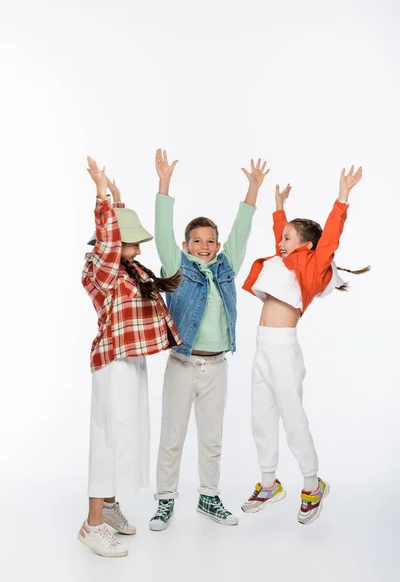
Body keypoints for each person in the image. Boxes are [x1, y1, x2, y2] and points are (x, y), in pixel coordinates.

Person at [240, 166, 369, 525]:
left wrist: (342, 197)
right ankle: (269, 483)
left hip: (283, 349)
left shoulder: (311, 269)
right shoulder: (281, 262)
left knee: (293, 418)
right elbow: (281, 240)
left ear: (308, 247)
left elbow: (330, 240)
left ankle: (312, 485)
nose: (281, 242)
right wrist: (279, 207)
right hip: (261, 347)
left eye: (288, 237)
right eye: (280, 237)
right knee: (260, 415)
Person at [149, 149, 267, 530]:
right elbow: (163, 230)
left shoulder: (226, 267)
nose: (205, 246)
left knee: (211, 438)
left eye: (210, 241)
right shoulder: (176, 267)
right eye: (197, 240)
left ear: (217, 246)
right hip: (183, 364)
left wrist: (252, 191)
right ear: (186, 245)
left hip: (217, 366)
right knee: (172, 437)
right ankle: (165, 501)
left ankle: (208, 497)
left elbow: (241, 233)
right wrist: (164, 184)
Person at [78, 157, 182, 557]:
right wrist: (102, 192)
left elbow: (116, 236)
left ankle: (108, 505)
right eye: (132, 239)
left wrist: (119, 199)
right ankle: (92, 525)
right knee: (108, 438)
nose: (140, 246)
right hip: (112, 362)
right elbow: (107, 240)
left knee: (127, 436)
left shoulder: (129, 268)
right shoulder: (100, 269)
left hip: (130, 359)